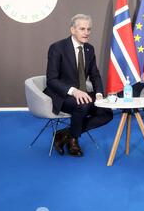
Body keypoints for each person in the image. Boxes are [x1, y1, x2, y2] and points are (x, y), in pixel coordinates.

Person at [44, 14, 113, 156]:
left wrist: (99, 94)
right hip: (62, 95)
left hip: (82, 94)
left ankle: (65, 134)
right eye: (82, 29)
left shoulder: (89, 49)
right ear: (72, 30)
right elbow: (51, 80)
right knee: (82, 105)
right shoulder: (57, 48)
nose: (86, 33)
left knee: (106, 112)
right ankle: (74, 141)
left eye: (89, 29)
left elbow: (95, 75)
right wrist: (73, 91)